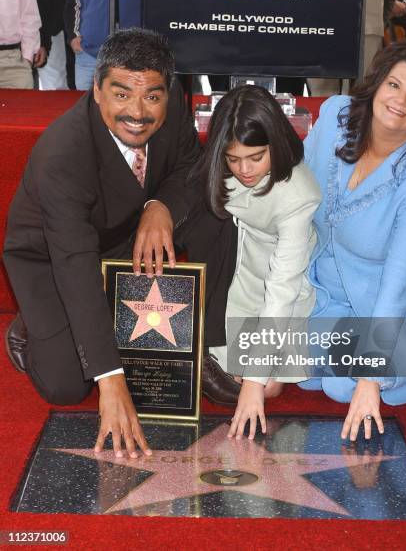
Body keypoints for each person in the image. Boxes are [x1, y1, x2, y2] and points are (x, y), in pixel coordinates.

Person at [3, 28, 241, 459]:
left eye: (152, 96)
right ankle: (29, 328)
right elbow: (73, 262)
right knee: (65, 386)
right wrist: (111, 379)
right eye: (121, 95)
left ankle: (207, 346)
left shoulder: (171, 109)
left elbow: (189, 164)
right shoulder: (62, 152)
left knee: (215, 214)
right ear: (96, 90)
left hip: (125, 225)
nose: (137, 112)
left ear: (167, 91)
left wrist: (160, 206)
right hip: (53, 254)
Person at [300, 39, 406, 441]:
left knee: (346, 384)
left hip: (399, 308)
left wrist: (368, 379)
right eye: (394, 85)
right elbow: (297, 187)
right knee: (279, 353)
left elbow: (401, 283)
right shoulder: (333, 118)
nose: (401, 101)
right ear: (377, 84)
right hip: (326, 290)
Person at [195, 85, 322, 440]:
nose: (244, 170)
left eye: (255, 157)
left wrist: (252, 383)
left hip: (286, 289)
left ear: (277, 144)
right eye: (233, 160)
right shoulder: (219, 166)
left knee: (265, 388)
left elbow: (282, 291)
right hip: (236, 277)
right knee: (246, 379)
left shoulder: (299, 195)